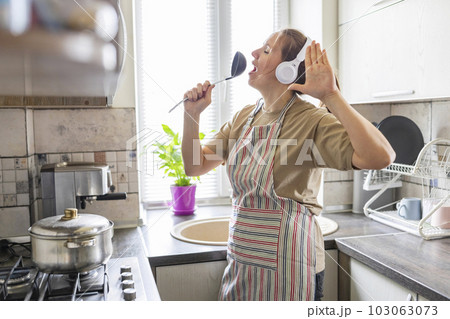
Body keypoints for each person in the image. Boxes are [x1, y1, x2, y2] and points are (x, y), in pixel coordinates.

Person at [181, 28, 395, 301]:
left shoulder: (312, 120)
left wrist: (331, 96)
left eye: (267, 50)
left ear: (288, 70)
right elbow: (195, 165)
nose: (254, 54)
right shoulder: (243, 118)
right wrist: (192, 116)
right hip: (242, 265)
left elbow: (381, 156)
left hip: (292, 268)